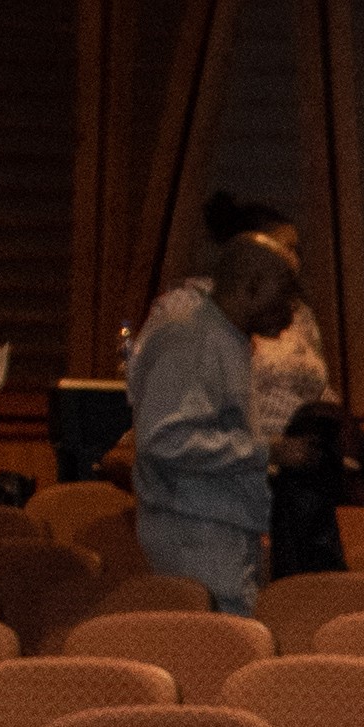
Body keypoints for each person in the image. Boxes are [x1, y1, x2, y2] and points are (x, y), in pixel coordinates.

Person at [129, 238, 297, 614]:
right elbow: (164, 439)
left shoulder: (224, 334)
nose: (290, 314)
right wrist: (268, 450)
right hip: (195, 531)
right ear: (251, 285)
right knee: (216, 655)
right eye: (284, 295)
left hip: (215, 526)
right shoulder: (191, 337)